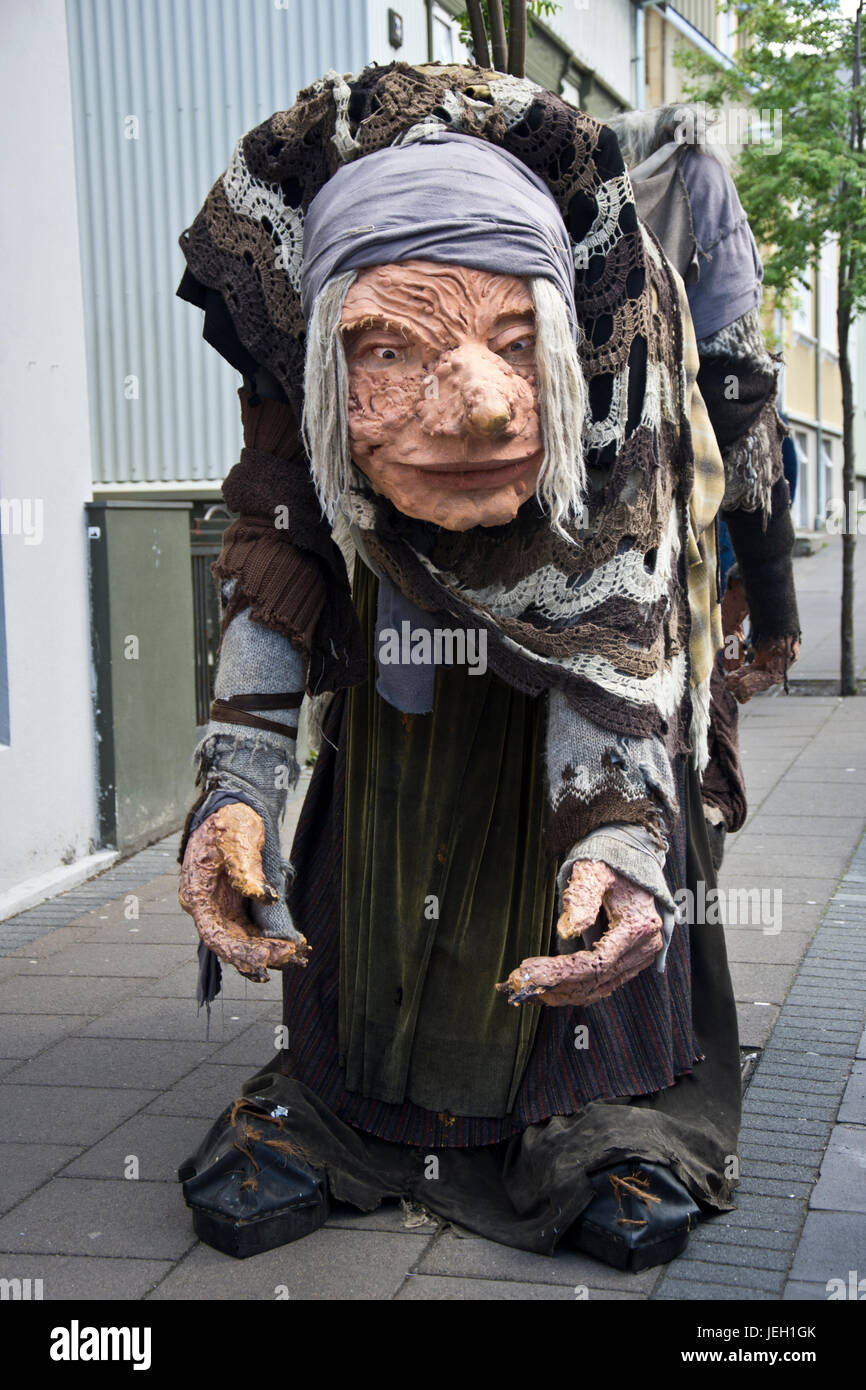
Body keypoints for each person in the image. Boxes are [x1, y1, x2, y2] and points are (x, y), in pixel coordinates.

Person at [174, 63, 739, 1272]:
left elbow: (619, 632)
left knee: (590, 931)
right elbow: (278, 560)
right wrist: (232, 787)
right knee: (368, 942)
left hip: (556, 743)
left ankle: (594, 1118)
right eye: (389, 346)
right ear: (325, 360)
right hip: (396, 736)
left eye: (513, 342)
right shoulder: (301, 410)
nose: (484, 409)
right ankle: (341, 1106)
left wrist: (619, 850)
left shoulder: (608, 407)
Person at [608, 105, 801, 870]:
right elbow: (749, 425)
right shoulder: (697, 178)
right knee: (677, 818)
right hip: (672, 607)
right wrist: (778, 620)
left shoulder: (572, 207)